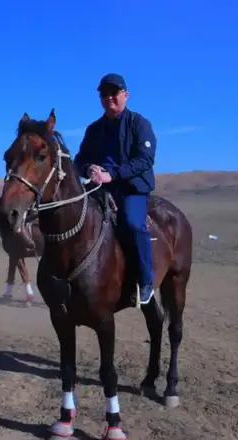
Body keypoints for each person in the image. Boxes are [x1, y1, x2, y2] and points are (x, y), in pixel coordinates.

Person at [73, 73, 157, 306]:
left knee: (132, 224)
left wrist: (113, 174)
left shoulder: (139, 124)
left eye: (114, 93)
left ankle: (145, 280)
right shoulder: (93, 130)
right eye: (104, 94)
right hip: (99, 188)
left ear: (125, 95)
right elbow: (79, 160)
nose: (109, 97)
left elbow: (145, 159)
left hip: (131, 188)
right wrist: (89, 168)